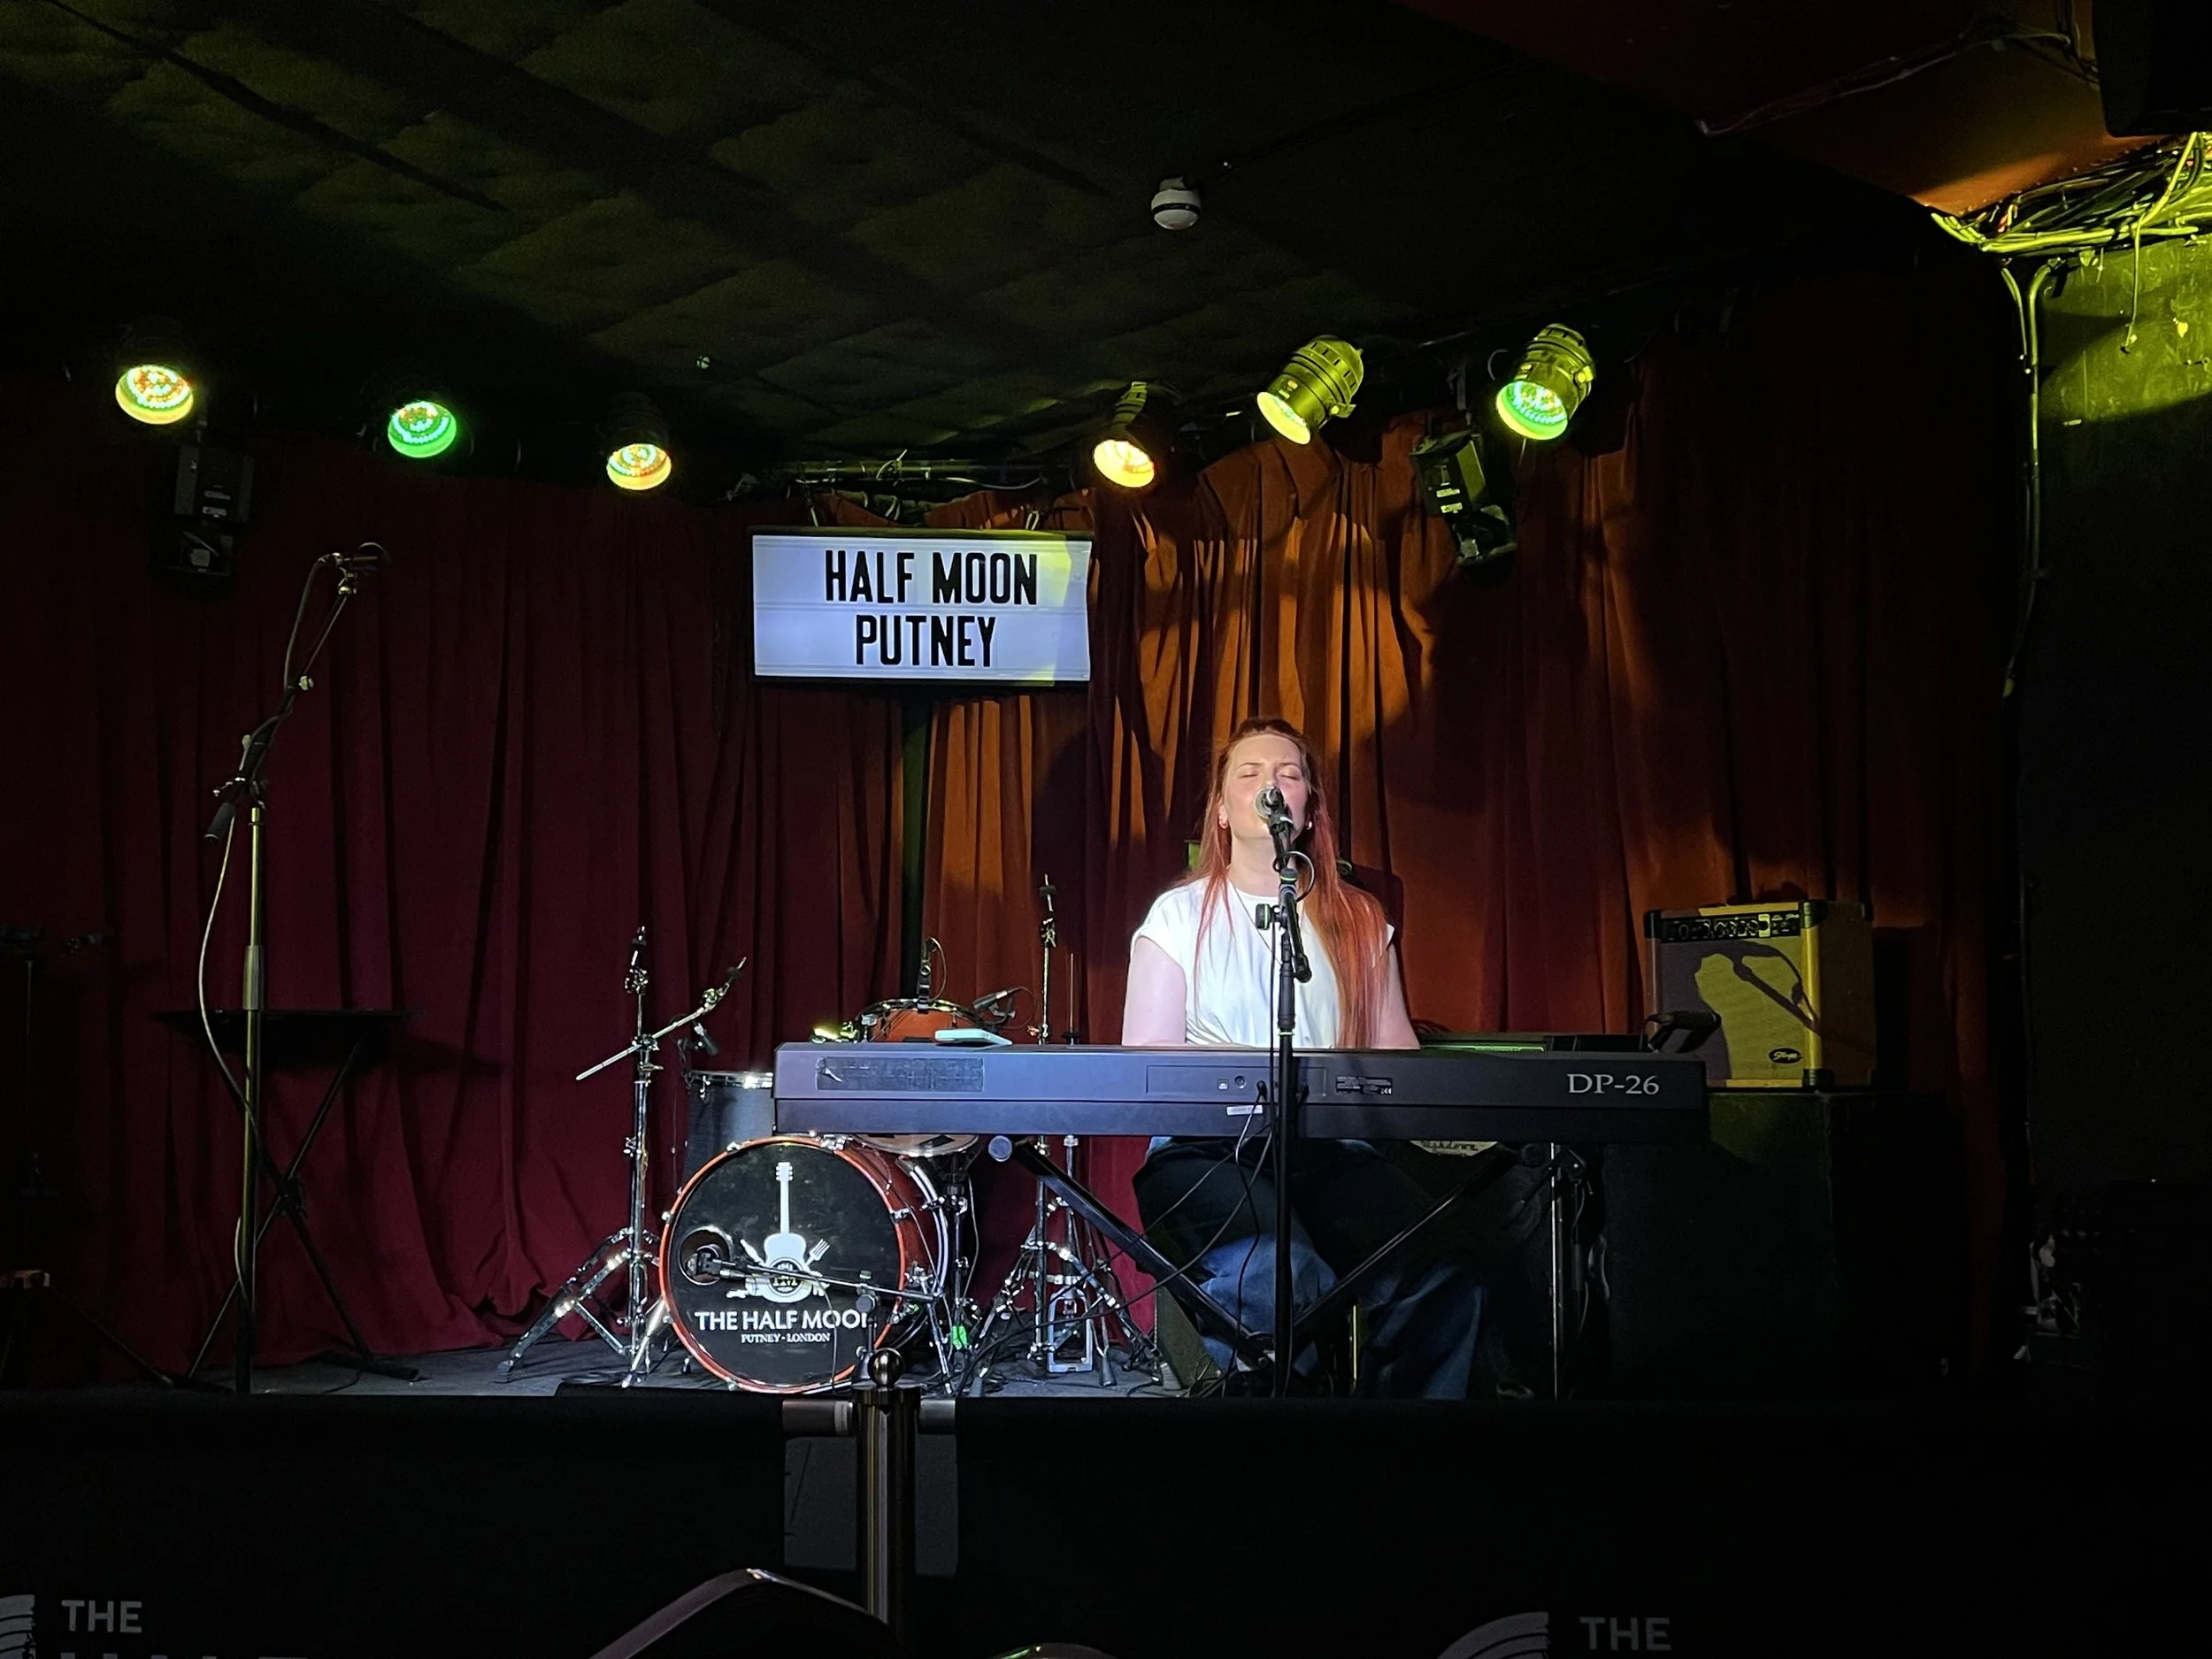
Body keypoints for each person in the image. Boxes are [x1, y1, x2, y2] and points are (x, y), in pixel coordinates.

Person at [1122, 717, 1486, 1399]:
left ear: (1310, 807)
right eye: (1250, 774)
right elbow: (1149, 1068)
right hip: (1208, 1152)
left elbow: (1397, 1061)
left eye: (1289, 774)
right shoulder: (1176, 916)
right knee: (1275, 1275)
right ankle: (1292, 1458)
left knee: (1442, 1269)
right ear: (1223, 811)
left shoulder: (1360, 920)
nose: (1272, 786)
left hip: (1333, 1150)